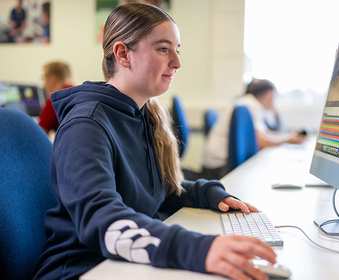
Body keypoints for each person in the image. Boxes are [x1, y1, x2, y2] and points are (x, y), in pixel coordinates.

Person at [34, 3, 275, 280]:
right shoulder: (86, 125)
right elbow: (104, 222)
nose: (177, 62)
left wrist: (206, 194)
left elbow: (154, 192)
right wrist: (196, 249)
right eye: (163, 49)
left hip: (122, 261)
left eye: (177, 49)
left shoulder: (143, 114)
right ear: (123, 54)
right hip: (83, 268)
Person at [202, 79, 306, 179]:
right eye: (275, 97)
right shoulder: (250, 104)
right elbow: (262, 141)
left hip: (217, 165)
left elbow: (266, 134)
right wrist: (288, 139)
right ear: (270, 94)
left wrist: (287, 136)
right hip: (219, 169)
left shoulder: (248, 102)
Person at [38, 61, 72, 134]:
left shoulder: (56, 99)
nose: (44, 83)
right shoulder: (75, 93)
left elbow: (40, 132)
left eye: (44, 77)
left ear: (52, 78)